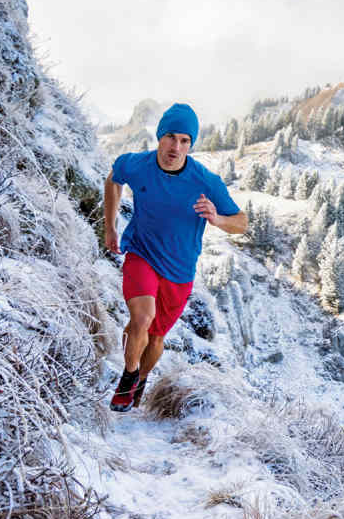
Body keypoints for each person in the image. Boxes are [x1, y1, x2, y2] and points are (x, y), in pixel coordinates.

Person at [102, 103, 247, 412]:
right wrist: (110, 227)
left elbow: (242, 222)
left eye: (184, 140)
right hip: (141, 253)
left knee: (154, 339)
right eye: (170, 137)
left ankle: (140, 379)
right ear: (159, 136)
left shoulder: (205, 181)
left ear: (191, 144)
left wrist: (217, 219)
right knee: (141, 318)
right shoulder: (136, 164)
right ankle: (128, 377)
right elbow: (113, 180)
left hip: (179, 272)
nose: (176, 146)